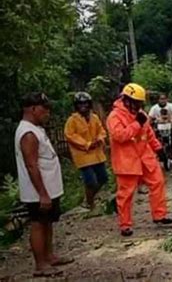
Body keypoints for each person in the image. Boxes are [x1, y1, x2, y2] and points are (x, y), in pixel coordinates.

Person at [15, 93, 74, 277]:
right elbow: (32, 165)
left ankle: (49, 256)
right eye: (44, 108)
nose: (47, 112)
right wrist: (42, 193)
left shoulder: (36, 128)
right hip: (38, 192)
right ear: (33, 109)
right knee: (38, 224)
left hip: (49, 188)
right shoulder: (28, 133)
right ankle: (40, 264)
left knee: (47, 222)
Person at [107, 83, 172, 236]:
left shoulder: (141, 114)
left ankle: (160, 216)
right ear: (126, 100)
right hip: (127, 162)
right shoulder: (114, 116)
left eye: (140, 103)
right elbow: (120, 136)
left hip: (146, 158)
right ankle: (125, 225)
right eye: (136, 103)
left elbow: (149, 133)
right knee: (126, 194)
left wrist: (158, 149)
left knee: (158, 183)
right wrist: (137, 123)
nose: (138, 106)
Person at [64, 92, 108, 211]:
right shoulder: (72, 120)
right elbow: (70, 135)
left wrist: (99, 139)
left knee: (103, 178)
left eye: (85, 103)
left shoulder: (94, 117)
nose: (83, 106)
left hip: (97, 154)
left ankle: (89, 198)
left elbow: (101, 130)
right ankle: (89, 203)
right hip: (83, 156)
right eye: (80, 104)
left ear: (89, 104)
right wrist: (87, 144)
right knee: (90, 181)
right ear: (76, 105)